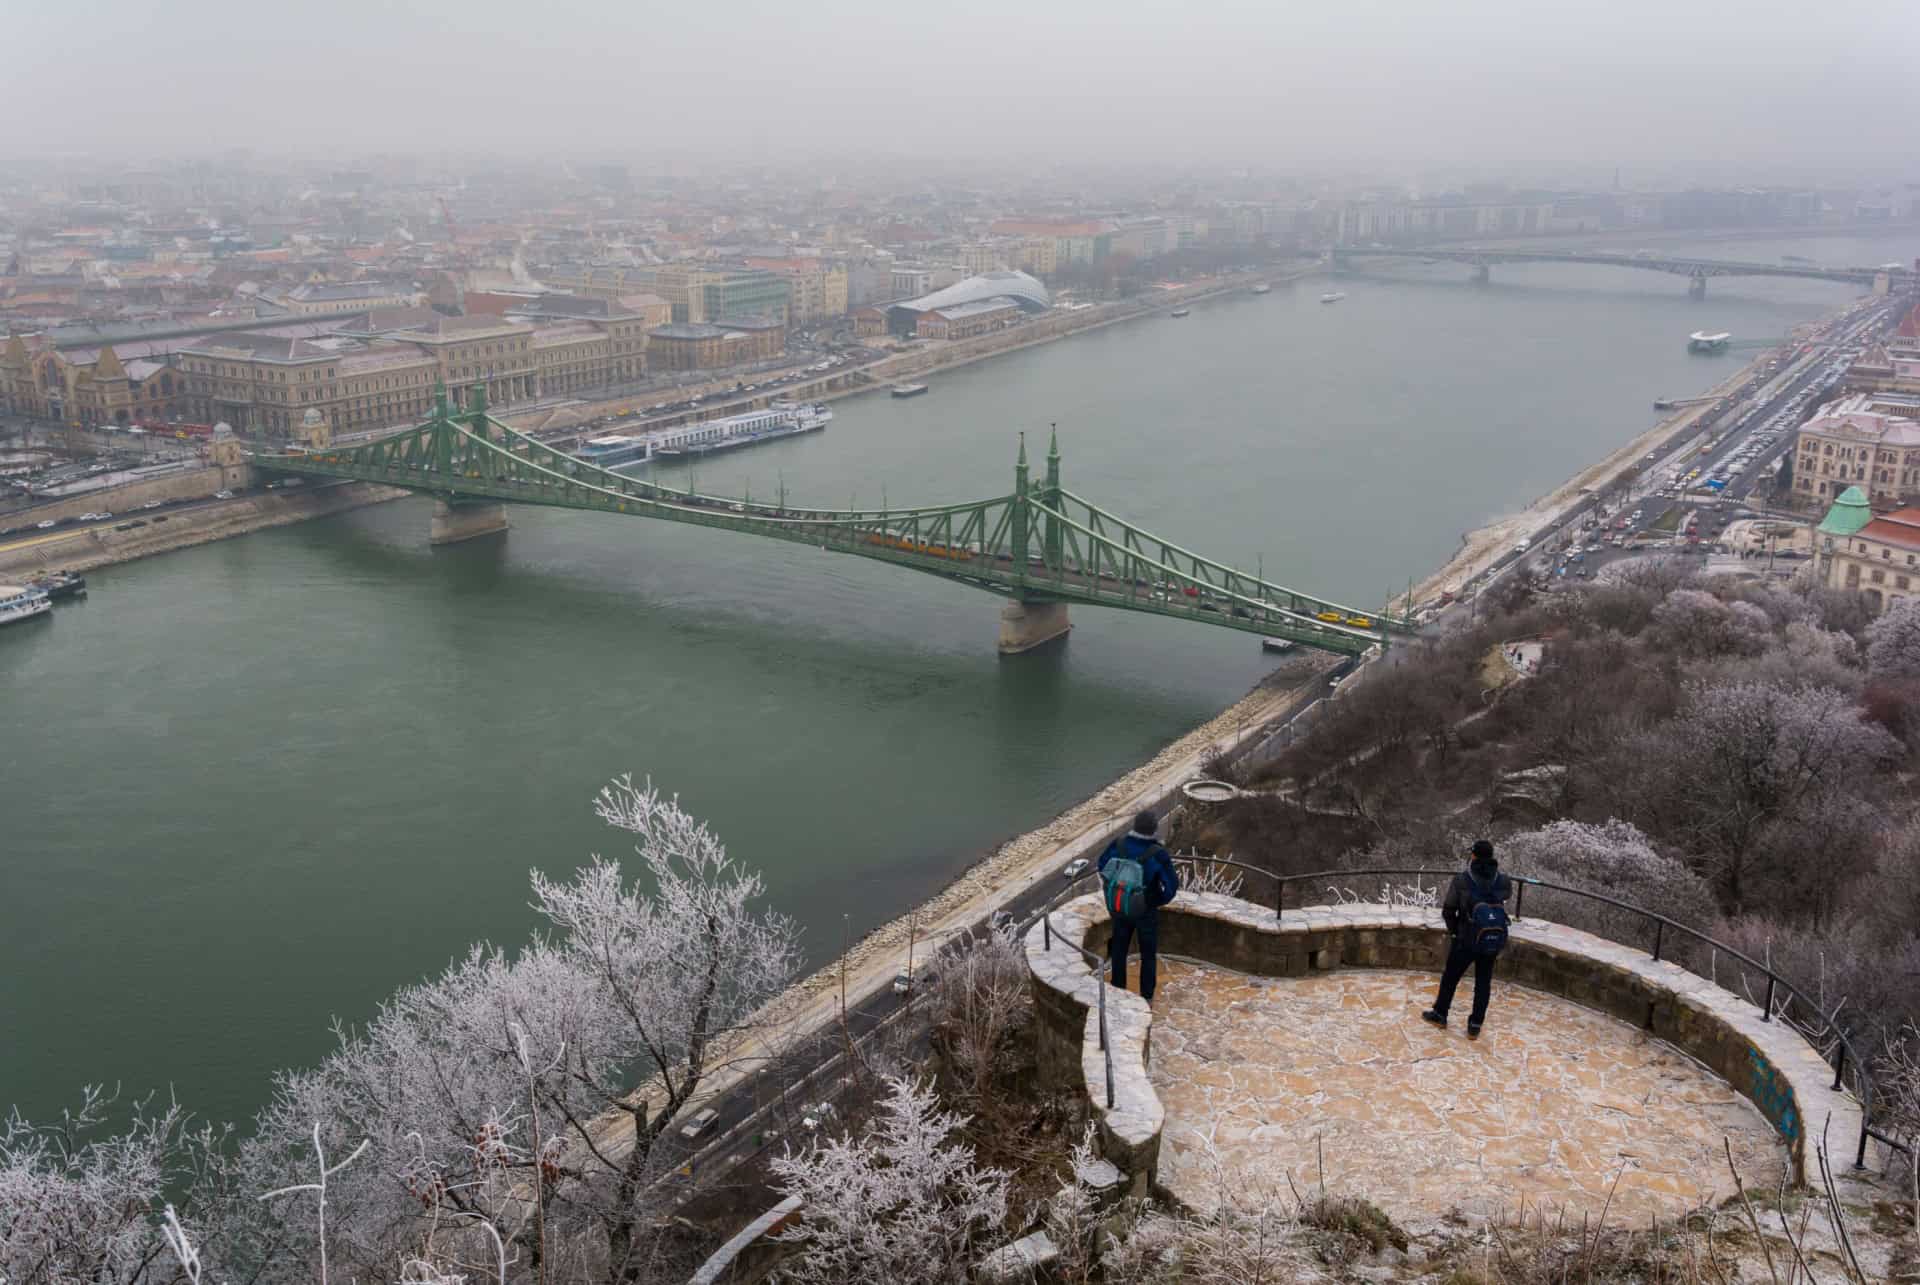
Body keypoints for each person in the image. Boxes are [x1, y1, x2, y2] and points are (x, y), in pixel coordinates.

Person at [1422, 839, 1512, 1039]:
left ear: (1474, 856)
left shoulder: (1463, 880)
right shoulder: (1503, 881)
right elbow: (1504, 899)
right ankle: (1475, 1025)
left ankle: (1440, 1014)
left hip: (1465, 938)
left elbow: (1448, 910)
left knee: (1451, 978)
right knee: (1483, 982)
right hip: (1491, 938)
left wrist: (1455, 932)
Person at [1098, 809, 1180, 1002]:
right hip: (1145, 910)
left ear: (1134, 826)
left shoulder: (1118, 844)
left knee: (1119, 950)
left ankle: (1118, 991)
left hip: (1119, 906)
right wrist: (1156, 900)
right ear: (1153, 829)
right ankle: (1146, 998)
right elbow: (1172, 886)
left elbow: (1102, 866)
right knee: (1148, 955)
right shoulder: (1157, 853)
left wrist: (1117, 888)